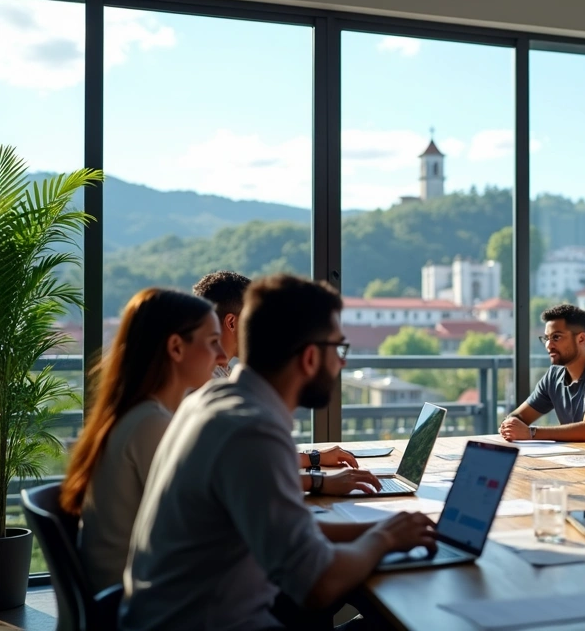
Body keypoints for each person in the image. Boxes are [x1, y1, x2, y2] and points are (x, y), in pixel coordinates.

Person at [122, 275, 436, 631]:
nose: (342, 364)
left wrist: (388, 528)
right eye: (339, 349)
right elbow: (317, 584)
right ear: (310, 357)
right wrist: (385, 539)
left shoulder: (212, 401)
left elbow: (294, 532)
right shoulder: (252, 431)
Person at [60, 289, 224, 591]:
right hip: (136, 596)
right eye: (213, 341)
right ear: (176, 348)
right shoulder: (151, 424)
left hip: (129, 586)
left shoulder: (139, 415)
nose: (222, 355)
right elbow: (196, 520)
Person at [194, 270, 361, 478]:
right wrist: (316, 479)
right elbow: (254, 470)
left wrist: (314, 462)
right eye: (252, 321)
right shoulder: (227, 403)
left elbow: (255, 464)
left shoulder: (216, 390)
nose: (342, 361)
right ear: (309, 356)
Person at [499, 304, 585, 442]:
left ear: (581, 339)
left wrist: (532, 433)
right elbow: (520, 416)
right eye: (546, 338)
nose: (548, 345)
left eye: (556, 337)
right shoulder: (554, 375)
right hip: (571, 454)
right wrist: (510, 424)